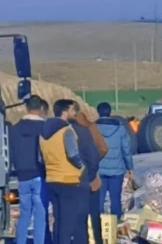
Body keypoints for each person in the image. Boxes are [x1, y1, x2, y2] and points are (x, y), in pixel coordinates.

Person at [39, 99, 86, 244]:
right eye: (73, 110)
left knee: (58, 220)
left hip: (52, 179)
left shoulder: (43, 131)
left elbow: (40, 158)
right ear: (65, 111)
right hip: (68, 180)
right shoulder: (66, 130)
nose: (75, 112)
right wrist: (81, 166)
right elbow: (72, 153)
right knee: (68, 221)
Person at [8, 95, 52, 244]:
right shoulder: (45, 128)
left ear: (26, 108)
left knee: (24, 213)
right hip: (40, 174)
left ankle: (20, 241)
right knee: (40, 214)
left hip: (22, 175)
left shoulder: (15, 128)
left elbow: (11, 153)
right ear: (41, 108)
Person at [64, 101, 101, 244]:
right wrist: (89, 174)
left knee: (70, 216)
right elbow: (96, 154)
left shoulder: (59, 132)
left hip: (66, 180)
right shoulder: (86, 130)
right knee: (90, 214)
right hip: (86, 179)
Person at [74, 103, 108, 244]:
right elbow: (103, 148)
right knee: (95, 214)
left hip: (76, 178)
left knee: (79, 215)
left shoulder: (70, 130)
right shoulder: (92, 127)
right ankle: (98, 240)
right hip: (93, 178)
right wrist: (93, 167)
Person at [96, 102, 133, 219]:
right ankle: (116, 225)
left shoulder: (93, 128)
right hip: (117, 170)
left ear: (98, 112)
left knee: (98, 200)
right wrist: (129, 167)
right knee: (115, 198)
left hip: (98, 171)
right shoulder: (120, 128)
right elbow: (126, 149)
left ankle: (97, 226)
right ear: (110, 112)